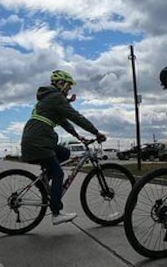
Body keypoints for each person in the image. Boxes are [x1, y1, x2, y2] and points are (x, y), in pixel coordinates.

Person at [20, 69, 106, 225]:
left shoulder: (50, 98)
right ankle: (56, 212)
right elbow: (76, 117)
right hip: (39, 142)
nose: (69, 90)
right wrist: (96, 132)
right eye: (68, 86)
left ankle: (47, 178)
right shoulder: (55, 97)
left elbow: (64, 121)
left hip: (37, 140)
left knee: (65, 153)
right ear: (61, 83)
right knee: (59, 174)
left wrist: (78, 136)